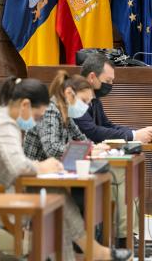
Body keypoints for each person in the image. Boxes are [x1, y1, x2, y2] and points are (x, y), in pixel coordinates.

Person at [0, 77, 131, 261]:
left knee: (56, 198)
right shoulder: (4, 124)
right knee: (55, 203)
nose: (36, 122)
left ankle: (92, 251)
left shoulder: (0, 115)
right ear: (25, 104)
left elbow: (15, 163)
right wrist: (42, 166)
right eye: (37, 117)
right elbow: (20, 166)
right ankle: (93, 251)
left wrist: (39, 166)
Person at [23, 70, 130, 248]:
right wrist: (88, 151)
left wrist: (94, 147)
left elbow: (81, 138)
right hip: (36, 176)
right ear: (68, 94)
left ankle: (90, 245)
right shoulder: (51, 109)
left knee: (96, 189)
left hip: (56, 174)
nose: (87, 106)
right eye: (84, 101)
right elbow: (52, 148)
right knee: (85, 195)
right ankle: (83, 246)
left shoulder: (66, 113)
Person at [74, 54, 152, 144]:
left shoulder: (94, 98)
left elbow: (107, 126)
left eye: (112, 81)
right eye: (107, 81)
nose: (111, 84)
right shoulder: (75, 99)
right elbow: (92, 132)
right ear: (92, 77)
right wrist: (134, 136)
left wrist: (140, 132)